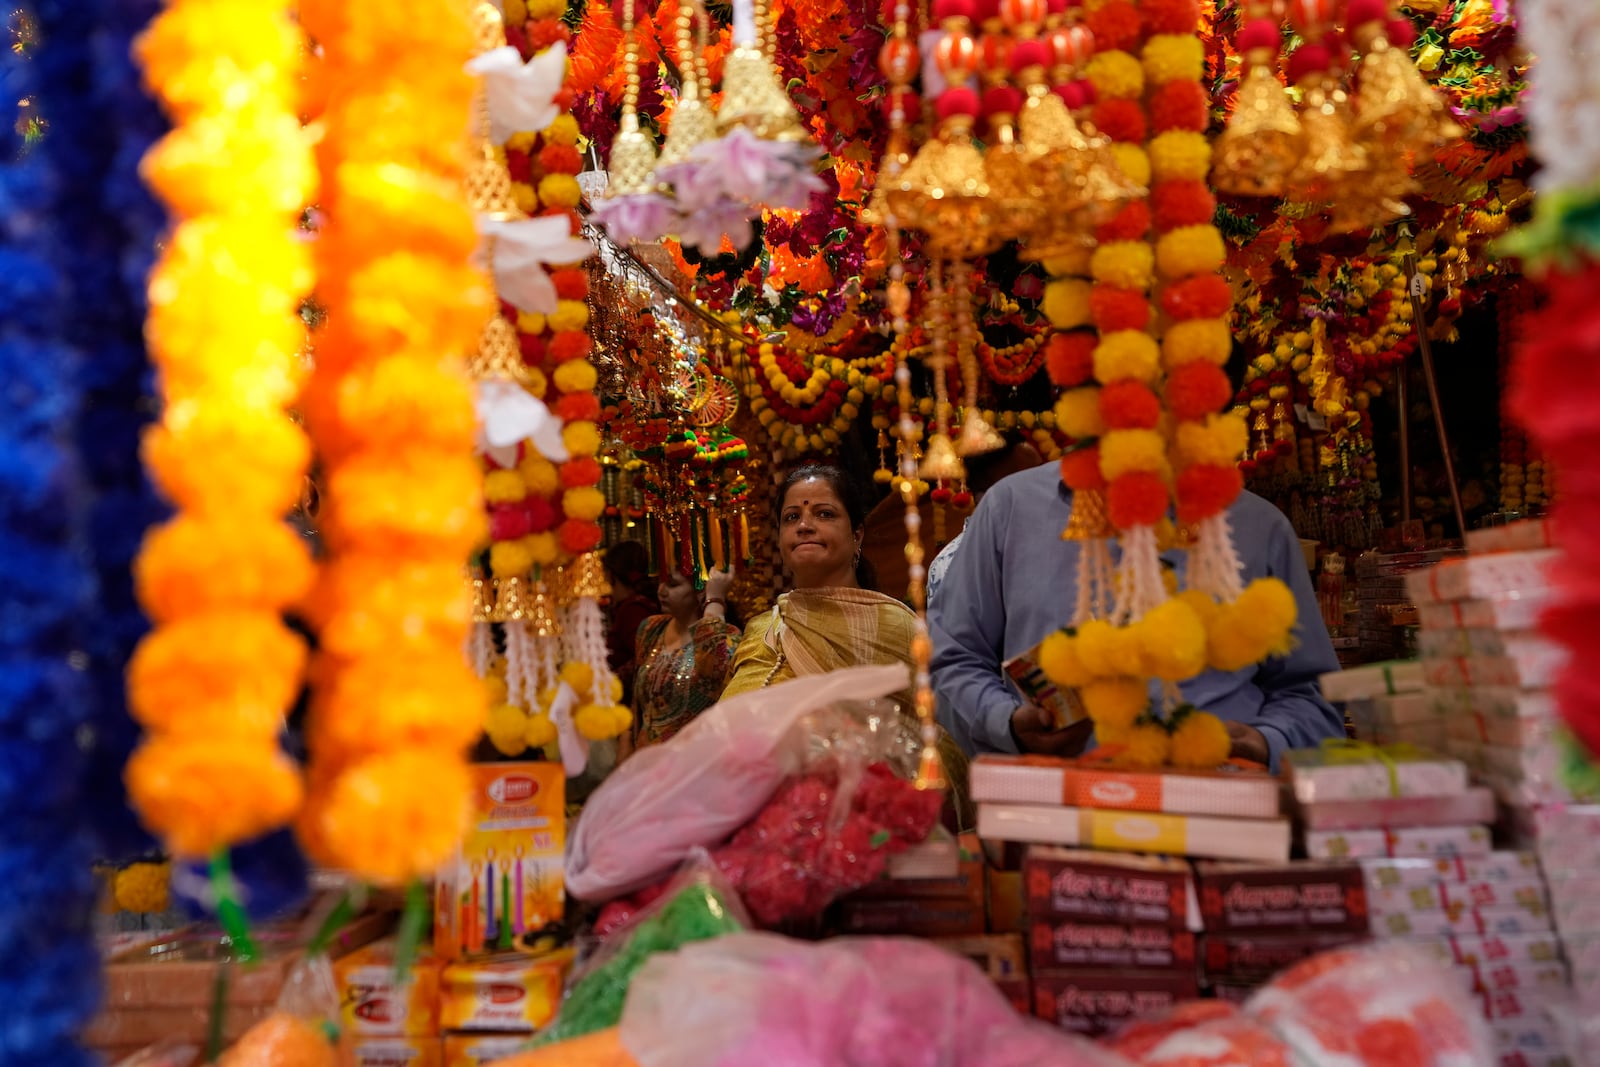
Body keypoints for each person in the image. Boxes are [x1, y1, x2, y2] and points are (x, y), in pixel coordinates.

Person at [929, 463, 1344, 771]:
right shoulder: (1012, 509)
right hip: (1057, 815)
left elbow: (1312, 697)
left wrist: (1266, 741)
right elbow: (953, 659)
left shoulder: (1258, 526)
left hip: (1223, 813)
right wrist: (1007, 723)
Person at [722, 464, 918, 703]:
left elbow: (933, 728)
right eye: (792, 517)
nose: (804, 526)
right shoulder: (761, 630)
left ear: (857, 535)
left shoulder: (897, 627)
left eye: (824, 514)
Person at [859, 436, 1043, 605]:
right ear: (986, 496)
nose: (1047, 491)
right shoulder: (950, 566)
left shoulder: (1058, 542)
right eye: (1032, 484)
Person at [630, 564, 741, 748]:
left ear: (700, 592)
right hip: (646, 758)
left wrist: (715, 600)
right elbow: (639, 700)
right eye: (660, 581)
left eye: (672, 584)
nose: (661, 591)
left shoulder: (726, 637)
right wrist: (627, 739)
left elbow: (713, 669)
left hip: (694, 759)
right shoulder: (651, 628)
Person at [603, 540, 659, 705]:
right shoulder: (632, 606)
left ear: (612, 575)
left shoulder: (632, 609)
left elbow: (644, 658)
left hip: (631, 706)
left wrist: (609, 682)